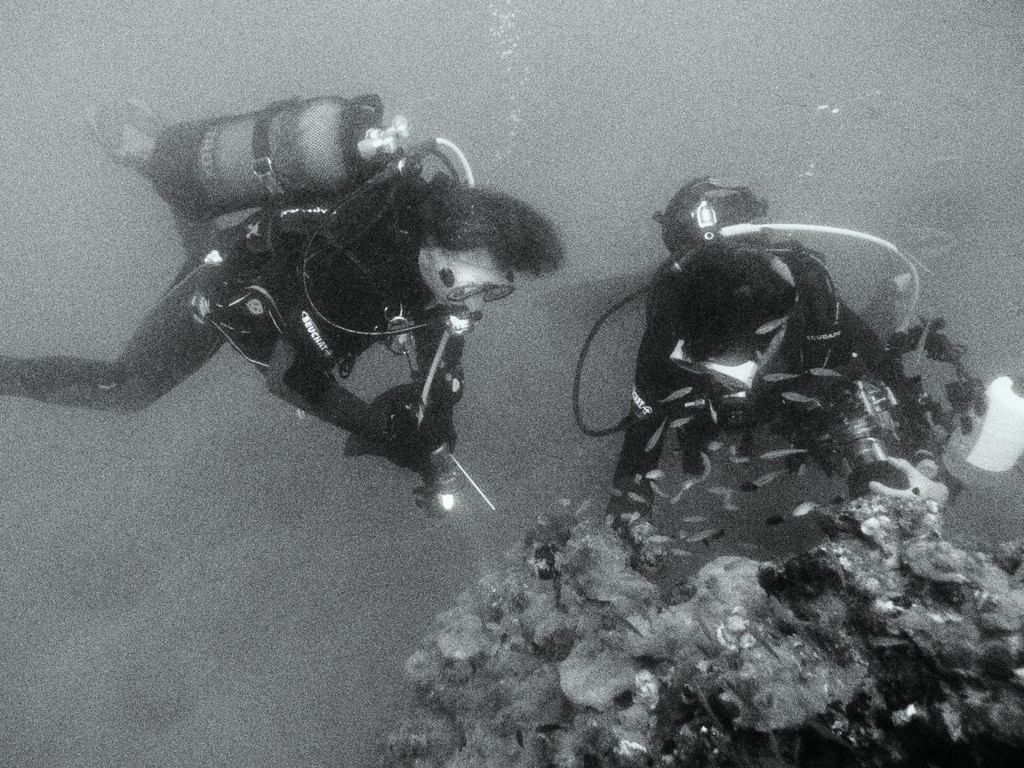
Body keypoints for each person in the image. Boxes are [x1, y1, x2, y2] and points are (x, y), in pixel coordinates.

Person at [0, 97, 564, 503]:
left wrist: (434, 439)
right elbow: (290, 378)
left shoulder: (432, 273)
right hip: (227, 291)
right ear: (445, 243)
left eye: (498, 292)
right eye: (479, 283)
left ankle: (163, 164)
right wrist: (378, 429)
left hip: (271, 263)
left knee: (203, 232)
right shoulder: (357, 270)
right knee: (127, 389)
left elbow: (441, 369)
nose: (479, 304)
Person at [606, 177, 950, 562]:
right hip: (736, 385)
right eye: (713, 364)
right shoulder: (665, 336)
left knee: (862, 354)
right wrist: (626, 524)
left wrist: (921, 459)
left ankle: (895, 285)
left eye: (744, 358)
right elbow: (638, 449)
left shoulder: (817, 308)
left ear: (775, 326)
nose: (738, 381)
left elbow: (890, 372)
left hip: (808, 381)